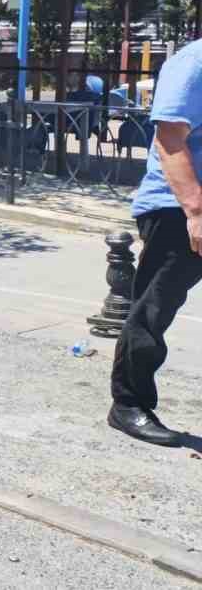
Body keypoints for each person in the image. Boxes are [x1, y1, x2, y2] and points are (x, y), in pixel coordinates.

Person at [108, 37, 202, 446]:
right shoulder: (194, 63)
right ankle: (128, 403)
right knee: (152, 310)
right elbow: (170, 141)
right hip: (177, 208)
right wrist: (196, 212)